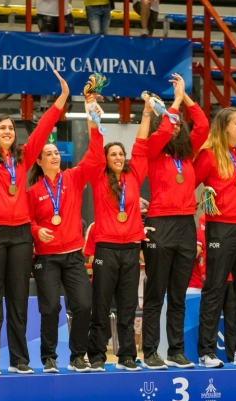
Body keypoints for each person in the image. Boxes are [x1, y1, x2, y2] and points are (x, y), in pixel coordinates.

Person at [0, 69, 68, 375]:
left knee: (19, 300)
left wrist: (61, 101)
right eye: (2, 128)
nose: (9, 131)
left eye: (11, 127)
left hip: (22, 234)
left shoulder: (22, 158)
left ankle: (20, 360)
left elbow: (41, 131)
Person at [140, 74, 208, 370]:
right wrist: (175, 103)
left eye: (179, 123)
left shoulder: (188, 153)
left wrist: (187, 97)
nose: (175, 125)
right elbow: (166, 125)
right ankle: (151, 351)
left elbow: (203, 125)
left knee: (178, 295)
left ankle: (176, 351)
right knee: (156, 294)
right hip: (160, 224)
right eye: (171, 122)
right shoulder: (153, 151)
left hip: (185, 226)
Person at [26, 111, 101, 373]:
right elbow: (28, 221)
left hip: (72, 255)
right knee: (50, 308)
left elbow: (94, 157)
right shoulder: (33, 192)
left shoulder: (73, 178)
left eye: (57, 152)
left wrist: (95, 124)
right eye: (49, 153)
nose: (55, 156)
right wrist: (37, 232)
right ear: (39, 160)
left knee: (83, 304)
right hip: (46, 257)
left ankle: (78, 355)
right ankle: (49, 357)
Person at [193, 107, 236, 368]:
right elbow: (189, 183)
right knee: (215, 291)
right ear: (224, 128)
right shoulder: (209, 156)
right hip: (220, 227)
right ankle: (206, 352)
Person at [88, 105, 150, 372]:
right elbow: (93, 148)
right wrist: (93, 117)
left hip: (130, 249)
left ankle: (127, 355)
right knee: (101, 306)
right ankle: (97, 356)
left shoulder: (134, 175)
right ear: (105, 159)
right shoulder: (98, 178)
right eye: (113, 154)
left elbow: (142, 144)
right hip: (106, 249)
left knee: (127, 307)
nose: (118, 157)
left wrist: (146, 112)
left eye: (121, 154)